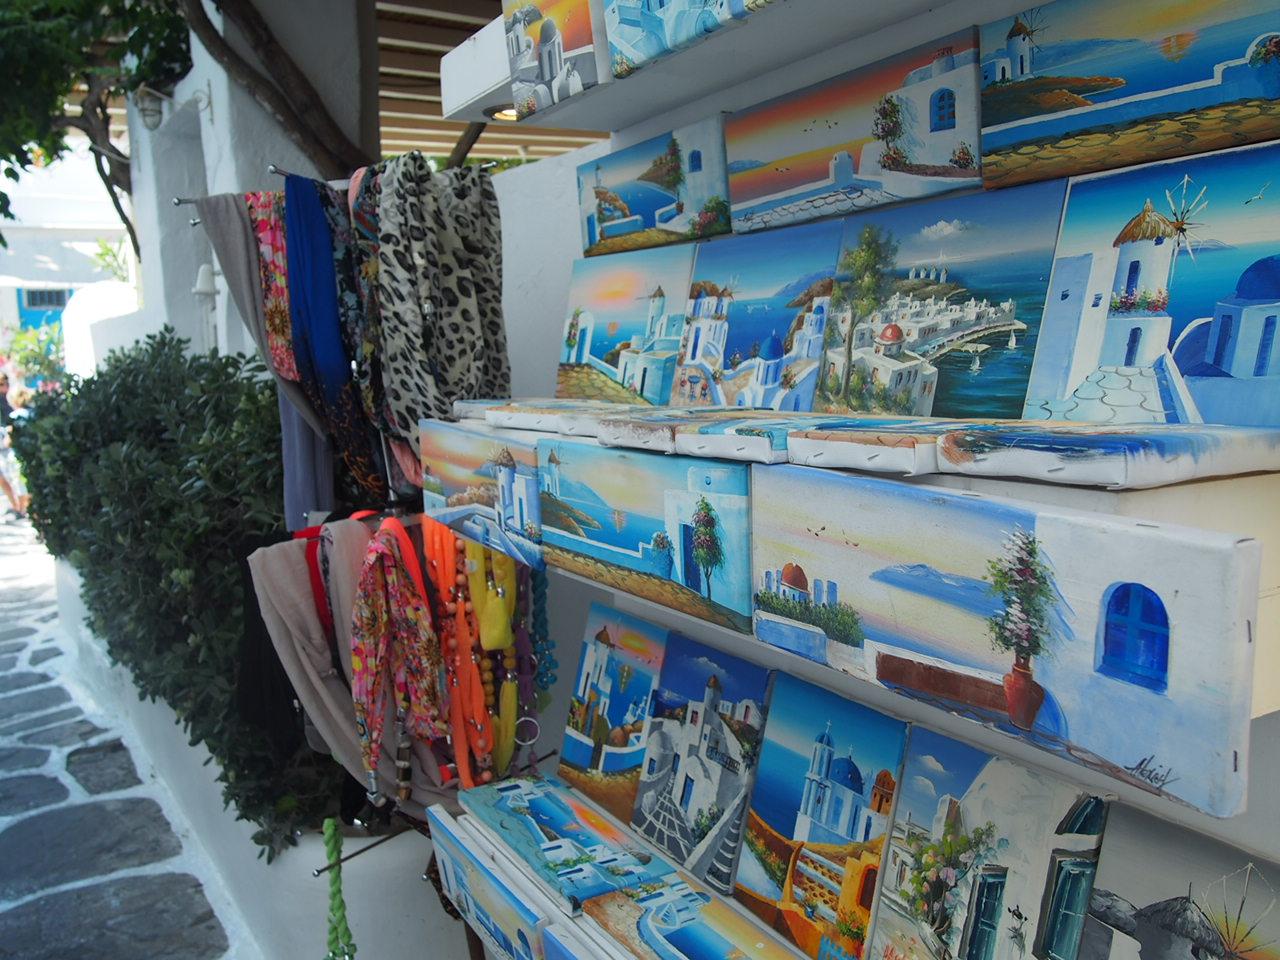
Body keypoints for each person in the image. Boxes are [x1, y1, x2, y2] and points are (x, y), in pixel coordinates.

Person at [0, 374, 26, 518]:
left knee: (15, 477)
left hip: (9, 443)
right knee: (5, 478)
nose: (5, 387)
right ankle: (16, 506)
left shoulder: (11, 400)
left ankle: (21, 508)